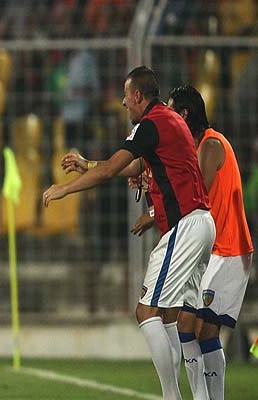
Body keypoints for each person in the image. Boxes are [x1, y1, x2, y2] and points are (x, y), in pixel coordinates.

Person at [46, 66, 215, 400]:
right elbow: (136, 165)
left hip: (185, 226)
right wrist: (88, 164)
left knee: (145, 311)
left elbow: (112, 169)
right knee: (174, 317)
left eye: (125, 95)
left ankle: (171, 396)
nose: (123, 102)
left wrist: (64, 189)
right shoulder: (169, 120)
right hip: (201, 224)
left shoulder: (150, 124)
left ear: (138, 95)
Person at [132, 85, 253, 400]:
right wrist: (150, 181)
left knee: (203, 327)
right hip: (208, 251)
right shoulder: (193, 149)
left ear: (184, 114)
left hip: (228, 249)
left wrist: (152, 210)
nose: (168, 117)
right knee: (184, 324)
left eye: (172, 110)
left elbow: (195, 193)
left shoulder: (212, 144)